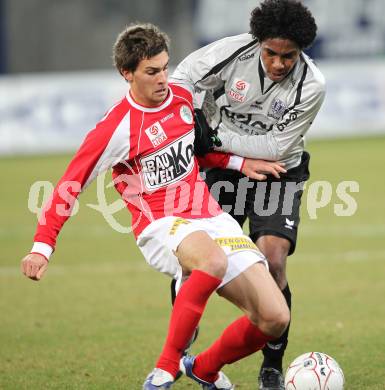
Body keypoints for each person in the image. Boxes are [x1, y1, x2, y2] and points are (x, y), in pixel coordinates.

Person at [20, 23, 290, 389]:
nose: (163, 78)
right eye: (151, 71)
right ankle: (165, 369)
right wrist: (42, 246)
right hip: (161, 222)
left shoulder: (181, 97)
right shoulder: (115, 127)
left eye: (165, 67)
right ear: (126, 73)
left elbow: (198, 151)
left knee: (274, 318)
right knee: (211, 261)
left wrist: (240, 164)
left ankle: (205, 368)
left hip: (209, 215)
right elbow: (71, 183)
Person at [171, 0, 326, 388]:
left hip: (279, 172)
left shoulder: (312, 85)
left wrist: (213, 136)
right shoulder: (233, 51)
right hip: (222, 168)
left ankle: (272, 363)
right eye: (271, 53)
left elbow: (274, 148)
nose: (278, 63)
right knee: (195, 259)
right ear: (259, 43)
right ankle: (181, 338)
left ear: (301, 51)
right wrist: (191, 117)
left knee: (273, 260)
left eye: (288, 56)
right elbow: (184, 77)